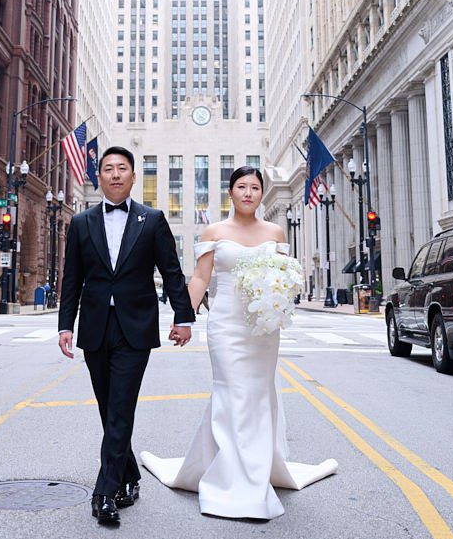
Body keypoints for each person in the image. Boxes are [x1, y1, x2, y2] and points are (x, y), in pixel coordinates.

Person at [140, 165, 337, 520]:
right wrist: (183, 317)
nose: (248, 193)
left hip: (263, 327)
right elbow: (201, 277)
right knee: (231, 393)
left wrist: (281, 300)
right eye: (241, 187)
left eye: (255, 188)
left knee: (258, 396)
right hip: (226, 325)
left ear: (262, 194)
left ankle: (251, 470)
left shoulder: (275, 232)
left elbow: (282, 277)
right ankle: (234, 480)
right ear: (230, 192)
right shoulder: (215, 231)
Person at [58, 146, 195, 527]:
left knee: (121, 408)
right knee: (108, 409)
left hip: (135, 327)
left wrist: (183, 317)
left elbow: (171, 271)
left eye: (122, 168)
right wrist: (65, 324)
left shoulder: (151, 220)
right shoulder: (82, 222)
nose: (115, 174)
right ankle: (130, 474)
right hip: (96, 326)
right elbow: (72, 278)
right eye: (108, 169)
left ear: (134, 177)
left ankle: (105, 492)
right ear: (98, 177)